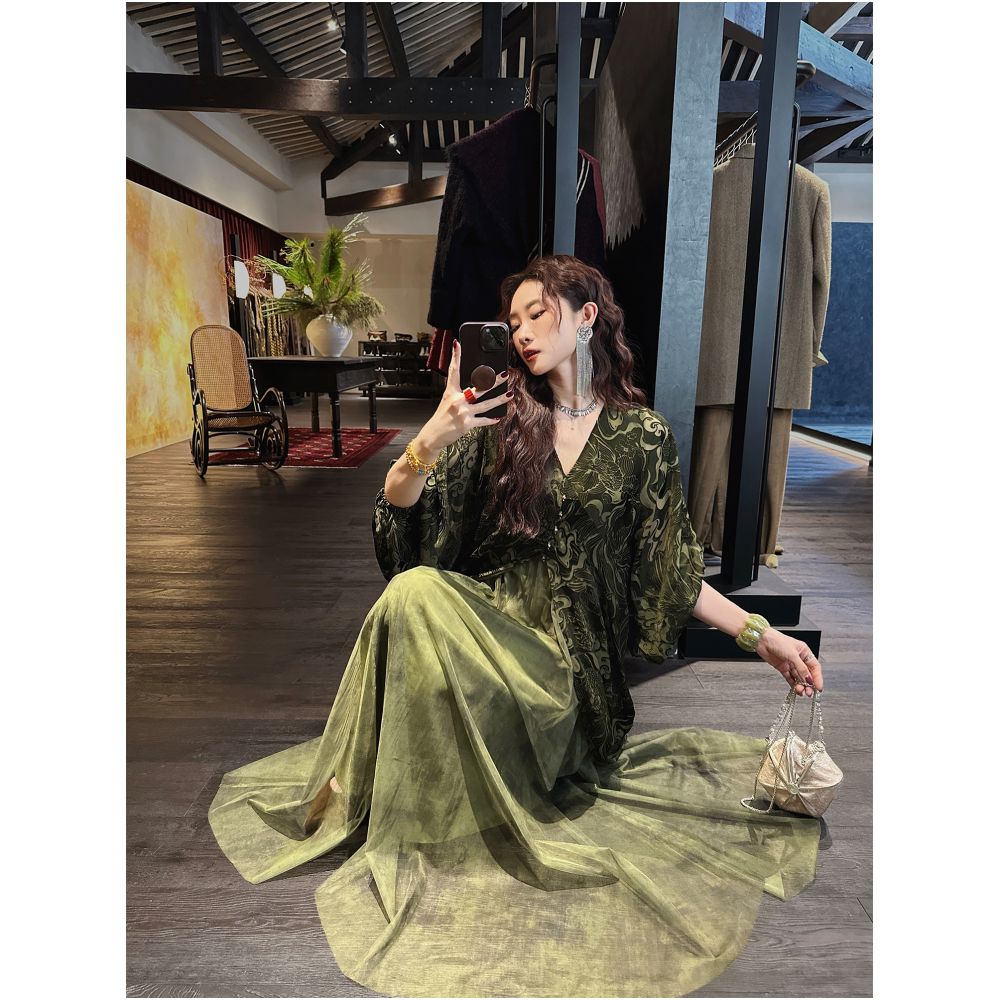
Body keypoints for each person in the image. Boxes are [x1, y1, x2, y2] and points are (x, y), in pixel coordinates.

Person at [208, 255, 825, 998]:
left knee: (418, 601)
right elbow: (404, 526)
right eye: (514, 321)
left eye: (539, 314)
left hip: (569, 669)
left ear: (587, 317)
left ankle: (452, 776)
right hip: (489, 629)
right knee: (413, 593)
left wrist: (763, 637)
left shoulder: (642, 438)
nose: (524, 333)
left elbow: (670, 571)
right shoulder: (498, 421)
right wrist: (432, 437)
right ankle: (407, 801)